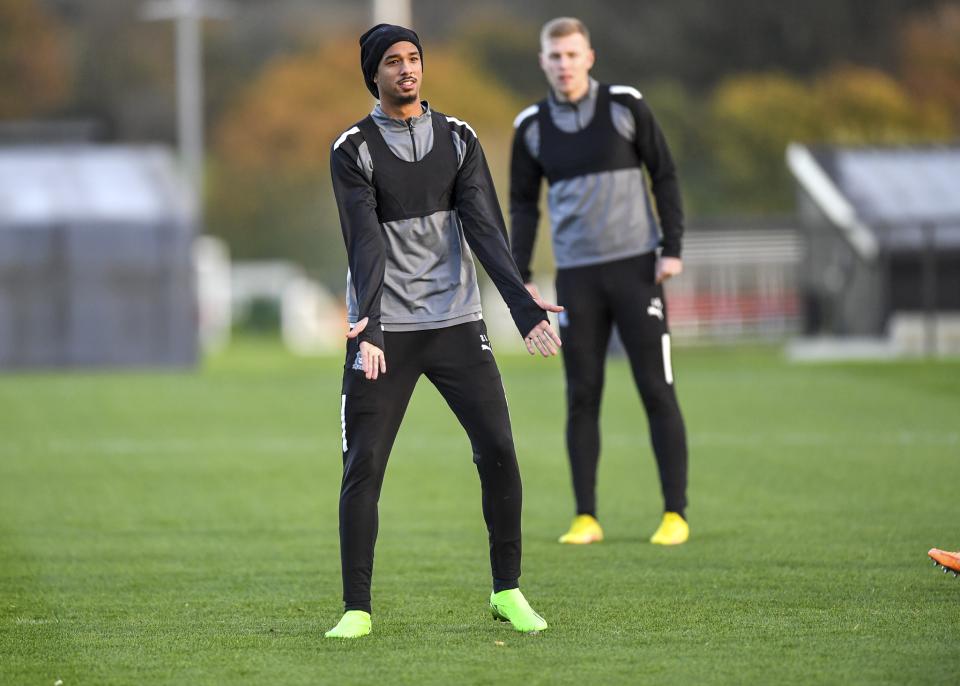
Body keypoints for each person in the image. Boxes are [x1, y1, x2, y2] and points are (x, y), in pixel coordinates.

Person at [326, 23, 563, 639]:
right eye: (393, 62)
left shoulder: (459, 139)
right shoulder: (353, 149)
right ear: (373, 74)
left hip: (457, 322)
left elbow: (485, 226)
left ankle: (507, 592)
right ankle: (357, 609)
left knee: (500, 451)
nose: (407, 69)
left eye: (414, 59)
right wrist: (371, 327)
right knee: (365, 465)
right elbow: (364, 242)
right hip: (385, 332)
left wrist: (522, 304)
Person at [509, 17, 690, 546]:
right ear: (542, 62)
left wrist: (671, 248)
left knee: (657, 389)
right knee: (581, 394)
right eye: (554, 56)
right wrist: (519, 275)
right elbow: (523, 205)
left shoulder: (626, 106)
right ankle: (586, 516)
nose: (564, 64)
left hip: (637, 269)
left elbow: (665, 173)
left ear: (589, 56)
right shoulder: (532, 127)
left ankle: (674, 514)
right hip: (577, 280)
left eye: (572, 54)